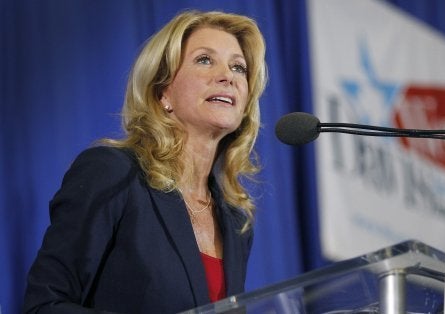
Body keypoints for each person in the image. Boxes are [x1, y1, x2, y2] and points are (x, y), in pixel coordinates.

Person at [23, 9, 267, 313]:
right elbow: (44, 305)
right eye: (205, 60)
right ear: (162, 90)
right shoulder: (113, 173)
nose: (227, 76)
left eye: (238, 67)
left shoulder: (236, 221)